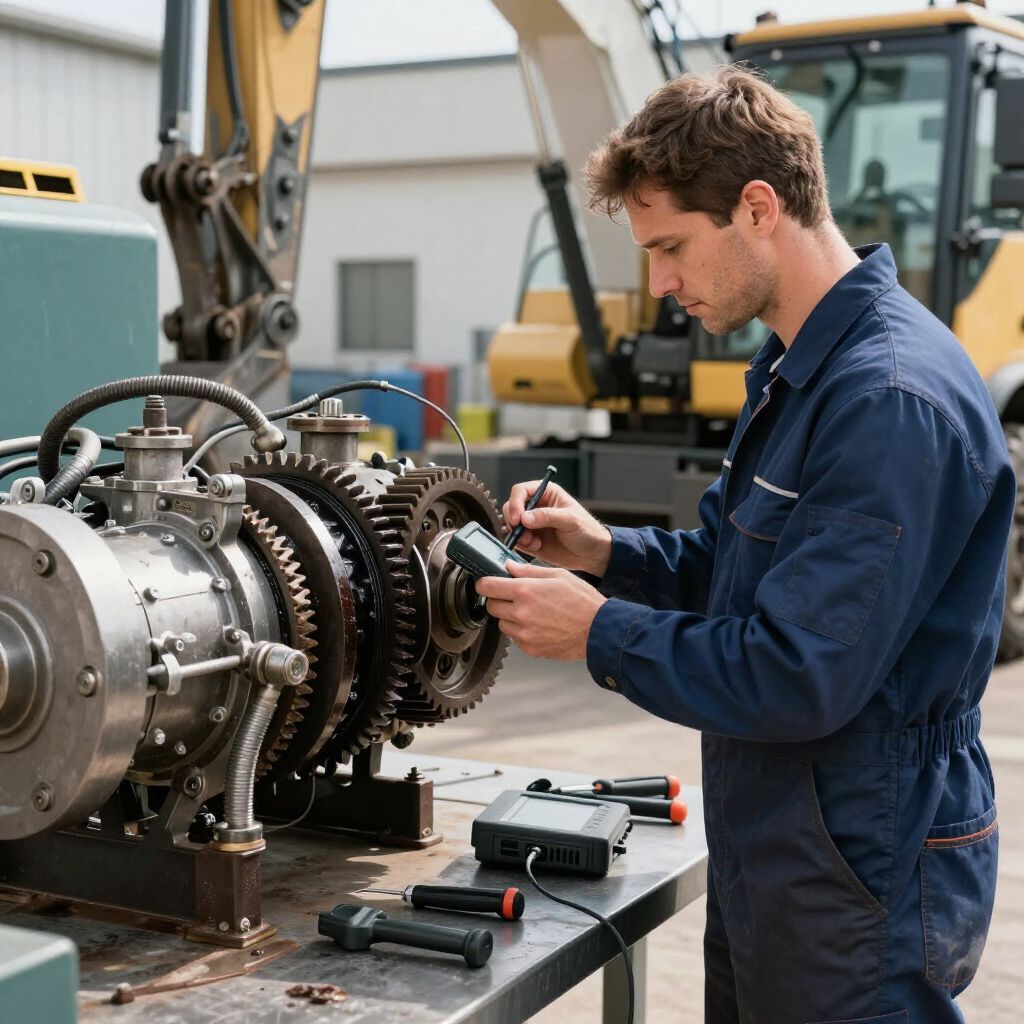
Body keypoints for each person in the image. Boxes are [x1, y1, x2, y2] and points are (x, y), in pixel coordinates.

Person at [475, 66, 1011, 1023]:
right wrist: (604, 553)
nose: (660, 284)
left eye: (672, 247)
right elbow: (736, 572)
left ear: (759, 207)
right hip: (787, 840)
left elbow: (798, 673)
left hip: (862, 858)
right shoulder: (798, 368)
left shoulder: (887, 400)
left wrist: (598, 632)